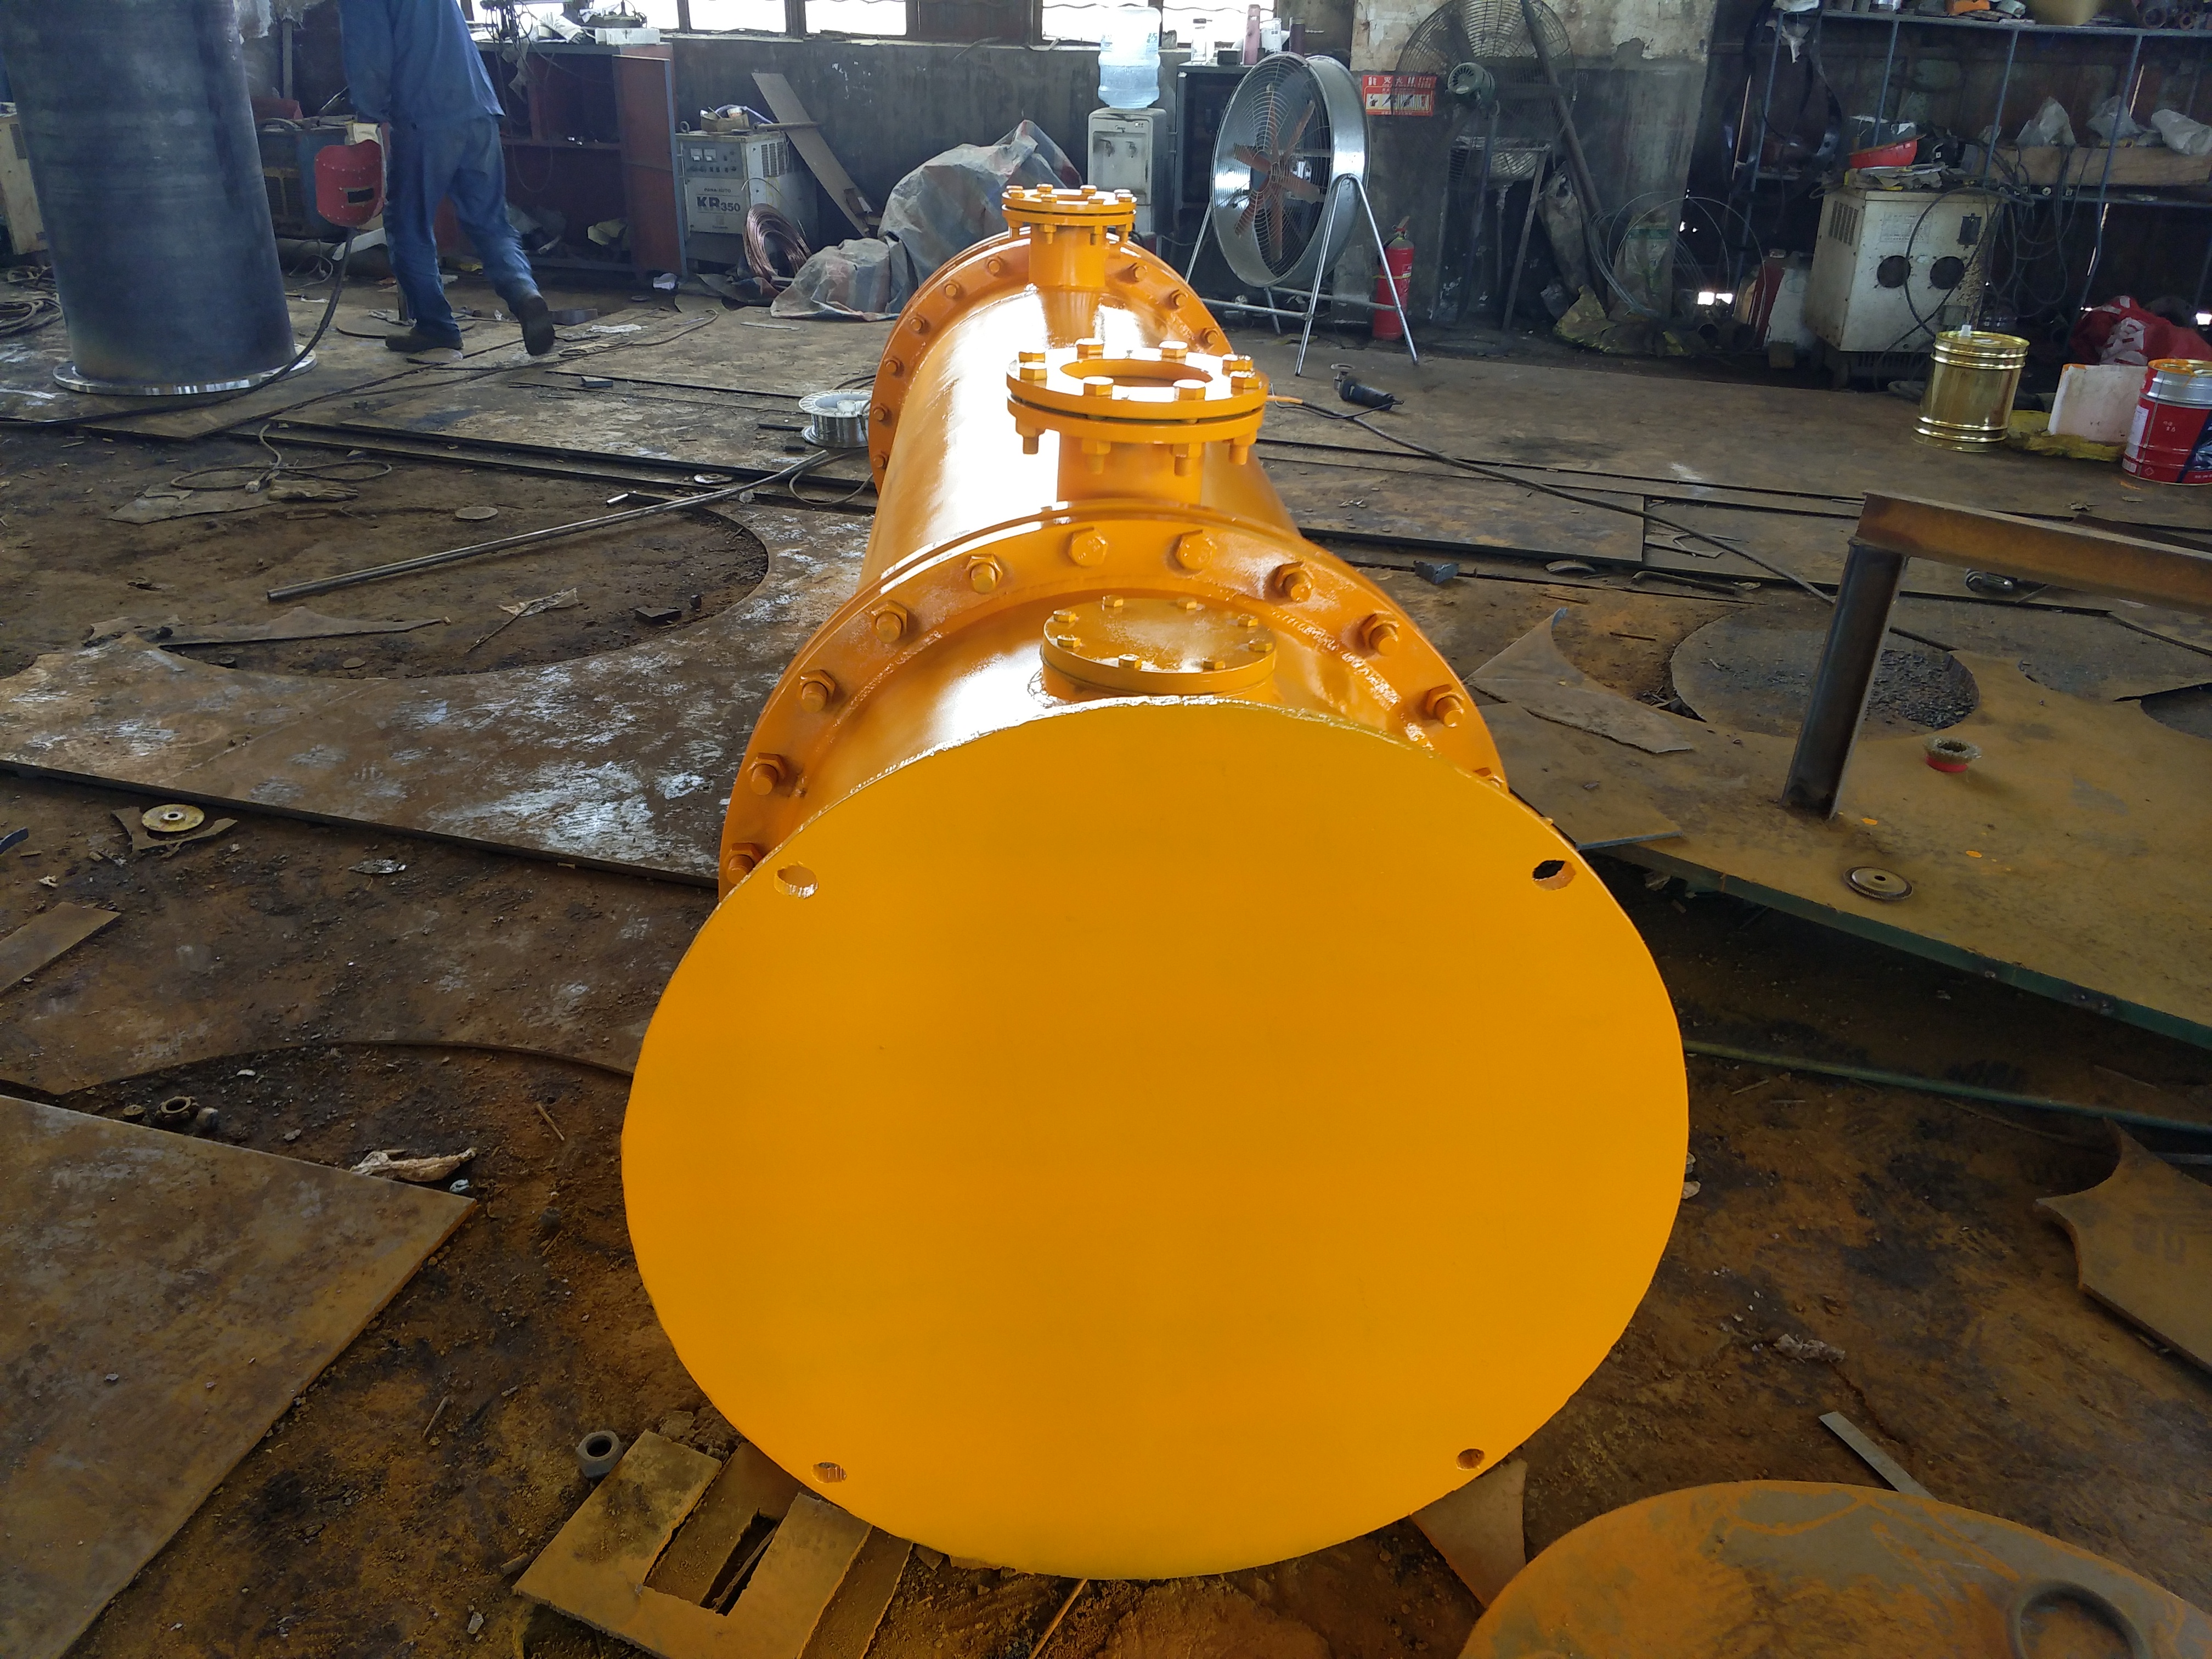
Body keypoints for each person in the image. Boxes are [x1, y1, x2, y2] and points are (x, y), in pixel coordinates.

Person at [338, 0, 555, 357]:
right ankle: (524, 294)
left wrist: (369, 113)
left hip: (425, 117)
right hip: (478, 108)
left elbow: (368, 55)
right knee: (491, 222)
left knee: (408, 224)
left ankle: (435, 326)